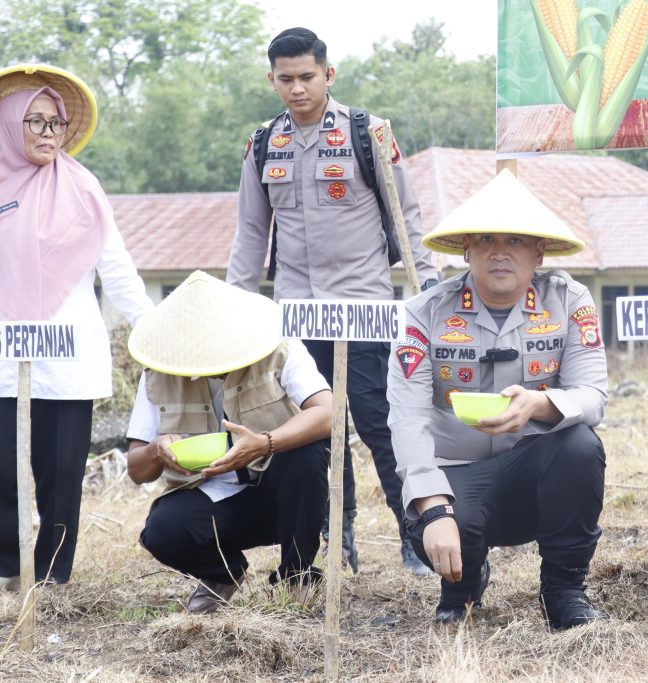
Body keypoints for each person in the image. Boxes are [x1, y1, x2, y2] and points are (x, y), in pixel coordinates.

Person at [227, 27, 438, 577]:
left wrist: (429, 291)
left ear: (328, 74)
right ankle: (335, 538)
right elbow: (250, 235)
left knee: (382, 426)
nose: (297, 88)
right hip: (296, 314)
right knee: (316, 430)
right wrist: (236, 313)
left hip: (363, 308)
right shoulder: (263, 144)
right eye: (286, 79)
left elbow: (407, 218)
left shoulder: (369, 133)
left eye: (307, 77)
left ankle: (414, 536)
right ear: (271, 79)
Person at [388, 170, 609, 629]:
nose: (499, 251)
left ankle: (564, 590)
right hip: (455, 475)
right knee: (442, 524)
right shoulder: (423, 313)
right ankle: (463, 584)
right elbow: (408, 418)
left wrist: (537, 406)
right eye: (486, 239)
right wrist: (433, 509)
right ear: (466, 249)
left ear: (539, 251)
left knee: (581, 445)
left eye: (515, 240)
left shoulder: (569, 300)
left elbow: (593, 395)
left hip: (532, 473)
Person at [0, 65, 153, 590]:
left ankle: (52, 577)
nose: (48, 133)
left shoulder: (83, 187)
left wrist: (151, 330)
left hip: (67, 357)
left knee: (61, 474)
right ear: (9, 125)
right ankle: (7, 569)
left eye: (55, 123)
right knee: (2, 469)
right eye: (35, 122)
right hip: (4, 353)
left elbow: (118, 269)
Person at [125, 271, 331, 613]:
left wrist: (265, 443)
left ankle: (296, 576)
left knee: (306, 455)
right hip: (213, 499)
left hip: (281, 496)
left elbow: (327, 413)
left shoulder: (279, 350)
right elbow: (137, 469)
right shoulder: (158, 375)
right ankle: (221, 574)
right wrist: (156, 449)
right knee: (163, 531)